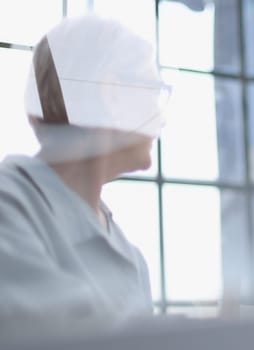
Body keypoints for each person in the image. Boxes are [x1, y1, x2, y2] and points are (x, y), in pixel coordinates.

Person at [0, 14, 169, 335]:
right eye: (154, 89)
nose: (162, 117)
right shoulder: (8, 206)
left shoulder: (132, 258)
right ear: (112, 92)